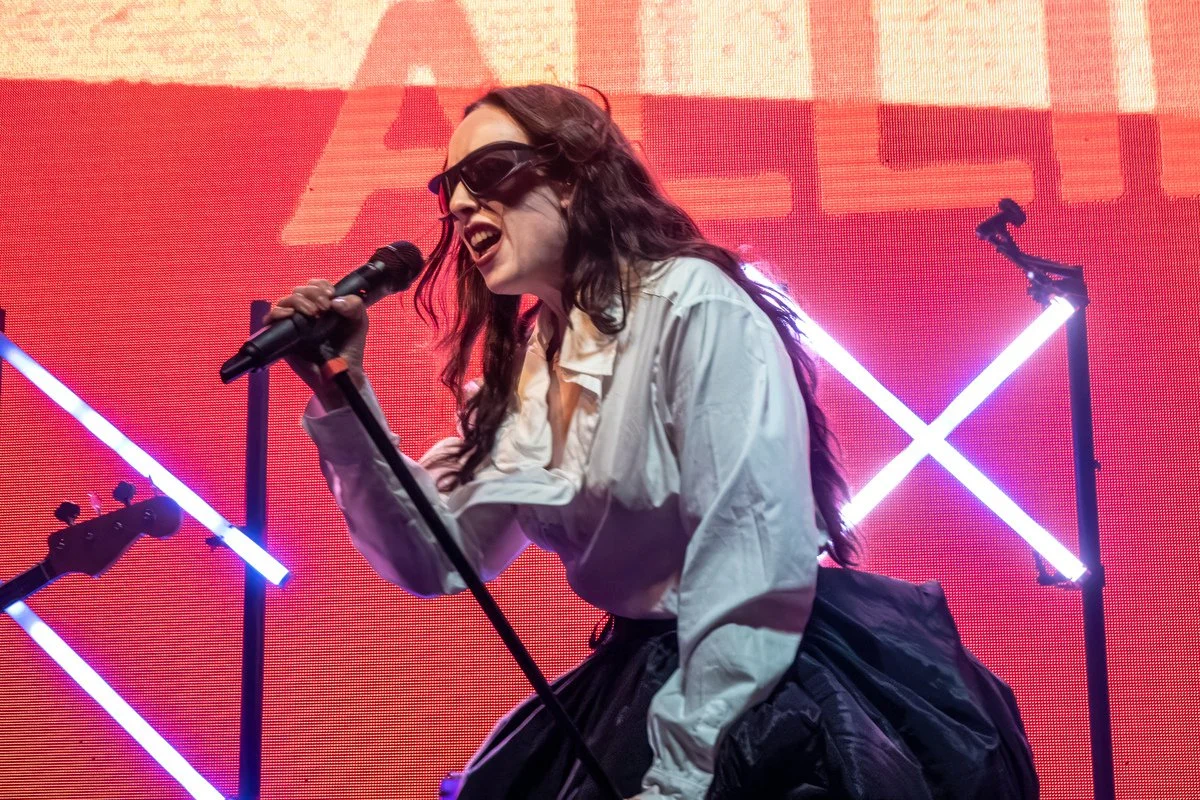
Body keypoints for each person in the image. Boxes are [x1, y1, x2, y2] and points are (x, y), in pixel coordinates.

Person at [267, 84, 1039, 799]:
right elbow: (436, 554)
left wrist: (681, 772)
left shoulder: (692, 304)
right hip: (639, 671)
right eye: (447, 189)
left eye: (490, 172)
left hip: (762, 678)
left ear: (574, 178)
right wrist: (340, 390)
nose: (463, 202)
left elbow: (750, 558)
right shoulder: (532, 363)